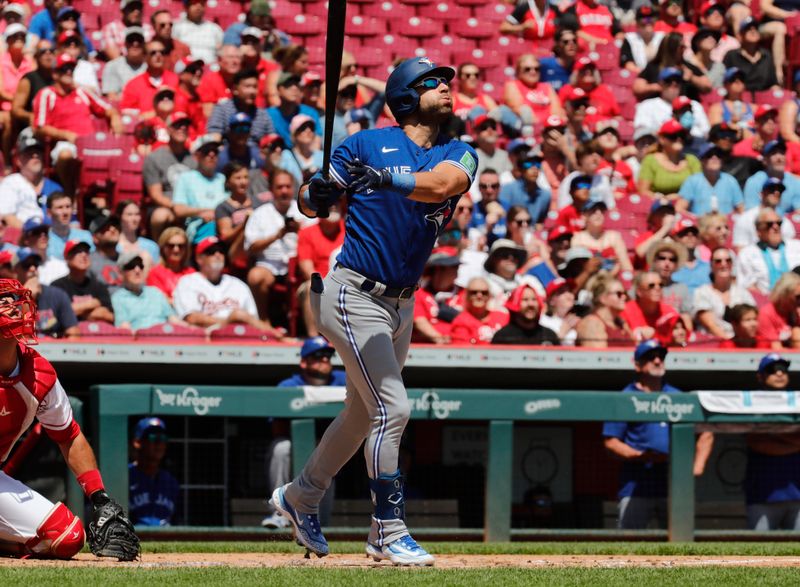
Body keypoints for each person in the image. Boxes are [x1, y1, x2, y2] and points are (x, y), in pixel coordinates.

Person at [274, 56, 479, 565]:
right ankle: (386, 530)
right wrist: (313, 192)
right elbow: (308, 200)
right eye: (433, 82)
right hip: (350, 293)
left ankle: (300, 497)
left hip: (402, 305)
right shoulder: (363, 143)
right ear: (406, 95)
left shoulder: (461, 152)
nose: (446, 89)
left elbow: (441, 185)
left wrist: (386, 179)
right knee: (394, 407)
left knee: (364, 412)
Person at [0, 277, 139, 559]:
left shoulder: (40, 374)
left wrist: (99, 497)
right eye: (1, 303)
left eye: (14, 303)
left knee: (67, 537)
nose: (13, 309)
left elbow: (69, 436)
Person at [602, 339, 713, 529]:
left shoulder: (678, 396)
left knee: (678, 545)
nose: (657, 361)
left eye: (660, 356)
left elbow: (707, 432)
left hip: (673, 484)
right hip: (635, 484)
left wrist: (697, 467)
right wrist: (640, 455)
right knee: (629, 547)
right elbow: (611, 441)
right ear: (637, 365)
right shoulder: (624, 397)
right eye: (650, 357)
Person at [261, 337, 346, 529]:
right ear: (304, 362)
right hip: (294, 442)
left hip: (329, 446)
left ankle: (320, 523)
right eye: (317, 356)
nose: (324, 360)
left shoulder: (343, 380)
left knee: (327, 454)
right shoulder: (288, 385)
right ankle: (279, 513)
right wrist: (304, 442)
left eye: (327, 355)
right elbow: (277, 428)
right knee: (281, 448)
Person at [32, 54, 122, 195]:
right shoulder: (47, 94)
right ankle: (70, 194)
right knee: (66, 155)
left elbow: (107, 108)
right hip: (66, 142)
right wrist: (66, 135)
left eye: (71, 69)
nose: (69, 72)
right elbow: (39, 127)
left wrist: (115, 118)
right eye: (64, 69)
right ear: (55, 74)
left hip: (90, 143)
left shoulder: (82, 91)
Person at [244, 169, 306, 331]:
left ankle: (310, 329)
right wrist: (277, 235)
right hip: (269, 265)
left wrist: (300, 230)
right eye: (279, 187)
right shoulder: (260, 213)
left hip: (299, 264)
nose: (284, 191)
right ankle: (263, 322)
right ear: (272, 190)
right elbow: (250, 247)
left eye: (287, 186)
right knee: (256, 276)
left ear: (293, 188)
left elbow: (316, 238)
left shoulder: (304, 211)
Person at [743, 354, 800, 529]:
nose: (779, 374)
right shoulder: (750, 402)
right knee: (759, 551)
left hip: (797, 493)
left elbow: (767, 441)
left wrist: (774, 435)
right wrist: (794, 441)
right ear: (760, 376)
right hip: (763, 493)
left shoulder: (797, 400)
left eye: (783, 369)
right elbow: (757, 442)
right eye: (772, 370)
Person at [173, 236, 270, 332]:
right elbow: (191, 318)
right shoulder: (188, 282)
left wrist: (236, 320)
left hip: (238, 340)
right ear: (199, 258)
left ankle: (276, 336)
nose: (218, 254)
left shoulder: (238, 285)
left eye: (221, 251)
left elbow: (253, 319)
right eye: (211, 251)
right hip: (203, 339)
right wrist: (231, 321)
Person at [143, 111, 196, 240]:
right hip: (165, 206)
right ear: (168, 130)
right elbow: (156, 195)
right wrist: (176, 206)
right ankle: (159, 253)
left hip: (190, 207)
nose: (182, 129)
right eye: (177, 125)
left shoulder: (194, 159)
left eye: (185, 126)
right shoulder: (154, 158)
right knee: (160, 216)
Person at [297, 201, 345, 338]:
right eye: (330, 201)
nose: (334, 205)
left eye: (337, 201)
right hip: (319, 281)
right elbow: (307, 268)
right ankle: (314, 339)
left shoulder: (351, 230)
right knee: (309, 287)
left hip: (347, 282)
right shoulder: (307, 233)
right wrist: (326, 285)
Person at [172, 135, 226, 242]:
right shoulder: (186, 178)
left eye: (215, 151)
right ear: (197, 156)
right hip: (198, 227)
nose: (211, 155)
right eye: (206, 151)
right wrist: (202, 213)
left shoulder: (223, 178)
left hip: (224, 226)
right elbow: (178, 209)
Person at [692, 247, 754, 339]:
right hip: (712, 345)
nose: (724, 264)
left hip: (740, 343)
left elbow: (752, 318)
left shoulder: (743, 293)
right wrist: (729, 343)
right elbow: (710, 325)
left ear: (732, 264)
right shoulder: (702, 292)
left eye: (728, 260)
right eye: (718, 261)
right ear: (711, 266)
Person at [0, 132, 59, 229]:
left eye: (38, 153)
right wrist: (33, 234)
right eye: (29, 154)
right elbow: (6, 216)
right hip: (22, 239)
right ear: (18, 160)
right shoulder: (11, 183)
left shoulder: (55, 188)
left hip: (53, 239)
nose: (35, 156)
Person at [128, 417, 179, 527]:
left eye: (163, 438)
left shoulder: (171, 481)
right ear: (137, 442)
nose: (159, 443)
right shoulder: (124, 476)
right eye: (153, 437)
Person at [736, 208, 800, 295]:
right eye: (769, 224)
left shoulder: (796, 247)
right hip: (766, 302)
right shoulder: (747, 254)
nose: (775, 227)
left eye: (779, 223)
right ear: (758, 230)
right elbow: (747, 286)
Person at [52, 240, 114, 324]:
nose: (84, 255)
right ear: (67, 258)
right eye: (77, 252)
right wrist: (94, 303)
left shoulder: (99, 286)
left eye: (86, 252)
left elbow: (110, 316)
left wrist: (77, 311)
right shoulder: (58, 286)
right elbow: (57, 314)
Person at [637, 120, 701, 201]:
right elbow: (643, 191)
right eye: (673, 136)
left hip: (688, 206)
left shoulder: (692, 160)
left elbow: (700, 188)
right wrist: (663, 199)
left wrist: (679, 196)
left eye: (682, 135)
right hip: (660, 208)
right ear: (662, 139)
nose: (679, 139)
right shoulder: (650, 160)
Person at [111, 252, 177, 331]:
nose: (137, 270)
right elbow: (124, 328)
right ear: (121, 273)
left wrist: (192, 330)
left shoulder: (155, 292)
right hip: (140, 340)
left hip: (165, 338)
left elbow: (174, 320)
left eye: (140, 266)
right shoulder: (118, 298)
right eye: (131, 266)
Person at [207, 69, 274, 144]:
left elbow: (271, 138)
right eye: (247, 86)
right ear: (235, 89)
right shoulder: (222, 110)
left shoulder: (262, 114)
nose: (252, 91)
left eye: (255, 87)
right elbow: (214, 136)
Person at [676, 144, 743, 216]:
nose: (715, 157)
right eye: (709, 155)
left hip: (726, 224)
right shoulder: (692, 181)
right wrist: (694, 220)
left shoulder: (730, 181)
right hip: (700, 224)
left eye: (718, 155)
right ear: (702, 160)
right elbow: (679, 209)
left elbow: (741, 209)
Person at [119, 39, 179, 118]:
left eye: (162, 52)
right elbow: (127, 115)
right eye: (153, 53)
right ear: (144, 57)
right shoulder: (134, 85)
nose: (158, 55)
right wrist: (157, 113)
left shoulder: (175, 79)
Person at [621, 271, 682, 345]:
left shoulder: (670, 313)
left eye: (661, 285)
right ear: (639, 291)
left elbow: (679, 341)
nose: (658, 288)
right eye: (651, 285)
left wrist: (654, 335)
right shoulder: (625, 311)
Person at [733, 177, 795, 249]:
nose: (776, 192)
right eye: (771, 189)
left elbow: (790, 250)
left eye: (780, 190)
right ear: (761, 194)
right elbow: (740, 248)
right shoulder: (746, 219)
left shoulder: (785, 222)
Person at [503, 53, 562, 128]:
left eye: (536, 69)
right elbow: (518, 109)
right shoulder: (512, 85)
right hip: (528, 128)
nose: (533, 72)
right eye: (527, 69)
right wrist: (541, 124)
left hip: (550, 126)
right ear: (518, 72)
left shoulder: (546, 86)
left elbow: (556, 110)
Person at [575, 274, 634, 347]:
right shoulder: (591, 323)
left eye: (624, 293)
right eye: (619, 294)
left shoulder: (620, 322)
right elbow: (597, 356)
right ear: (603, 298)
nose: (624, 297)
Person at [491, 283, 559, 345]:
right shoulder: (502, 337)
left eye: (534, 299)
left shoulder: (549, 336)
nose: (531, 304)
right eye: (525, 300)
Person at [743, 140, 800, 214]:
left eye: (782, 153)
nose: (779, 158)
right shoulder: (754, 182)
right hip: (762, 222)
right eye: (773, 154)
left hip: (786, 223)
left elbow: (798, 211)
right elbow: (751, 213)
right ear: (765, 160)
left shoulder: (794, 183)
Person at [723, 18, 779, 92]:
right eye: (748, 29)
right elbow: (725, 81)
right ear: (740, 35)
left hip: (762, 97)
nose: (753, 31)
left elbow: (773, 83)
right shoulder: (731, 55)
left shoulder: (766, 55)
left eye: (756, 29)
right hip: (739, 96)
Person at [450, 276, 509, 345]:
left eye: (484, 293)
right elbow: (463, 352)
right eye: (474, 292)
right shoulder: (461, 321)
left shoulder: (502, 317)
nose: (479, 295)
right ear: (467, 295)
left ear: (489, 295)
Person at [11, 39, 55, 132]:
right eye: (43, 51)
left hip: (56, 126)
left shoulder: (59, 79)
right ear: (36, 57)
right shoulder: (28, 79)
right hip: (33, 129)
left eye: (51, 51)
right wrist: (30, 116)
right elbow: (16, 109)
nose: (48, 54)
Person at [498, 151, 550, 226]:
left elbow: (541, 221)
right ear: (520, 169)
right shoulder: (507, 189)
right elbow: (503, 218)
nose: (534, 169)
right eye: (529, 165)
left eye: (537, 165)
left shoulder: (545, 195)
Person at [146, 227, 195, 304]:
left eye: (181, 246)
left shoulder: (192, 273)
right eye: (171, 246)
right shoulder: (154, 273)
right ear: (163, 248)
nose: (176, 250)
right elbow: (160, 300)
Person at [101, 26, 147, 101]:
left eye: (139, 40)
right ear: (125, 44)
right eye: (131, 40)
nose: (135, 44)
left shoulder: (150, 66)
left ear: (144, 44)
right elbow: (111, 97)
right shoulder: (112, 66)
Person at [757, 271, 800, 349]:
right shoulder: (766, 313)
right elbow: (776, 348)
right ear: (784, 293)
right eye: (798, 297)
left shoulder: (794, 312)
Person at [172, 0, 223, 65]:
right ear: (186, 6)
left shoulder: (214, 28)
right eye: (194, 3)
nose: (198, 7)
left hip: (210, 68)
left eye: (201, 4)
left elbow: (222, 52)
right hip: (187, 69)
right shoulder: (176, 26)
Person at [620, 5, 664, 74]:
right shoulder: (630, 38)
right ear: (637, 23)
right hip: (639, 76)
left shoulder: (662, 37)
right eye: (644, 20)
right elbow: (628, 64)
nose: (648, 22)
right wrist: (645, 75)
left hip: (661, 75)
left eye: (651, 19)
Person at [539, 28, 578, 92]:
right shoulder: (544, 65)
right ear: (557, 45)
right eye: (566, 42)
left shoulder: (581, 67)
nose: (571, 44)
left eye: (574, 41)